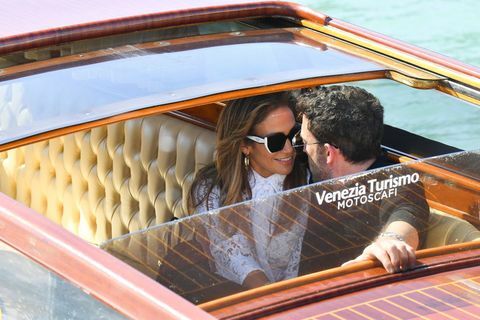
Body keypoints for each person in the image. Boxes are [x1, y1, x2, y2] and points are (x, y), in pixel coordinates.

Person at [295, 85, 430, 274]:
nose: (300, 149)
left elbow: (407, 213)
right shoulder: (299, 168)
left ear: (328, 152)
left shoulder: (398, 179)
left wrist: (390, 243)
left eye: (304, 142)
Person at [189, 92, 308, 289]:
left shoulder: (307, 179)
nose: (289, 149)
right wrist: (275, 299)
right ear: (245, 145)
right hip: (233, 295)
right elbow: (233, 256)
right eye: (276, 141)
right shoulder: (211, 189)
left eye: (294, 135)